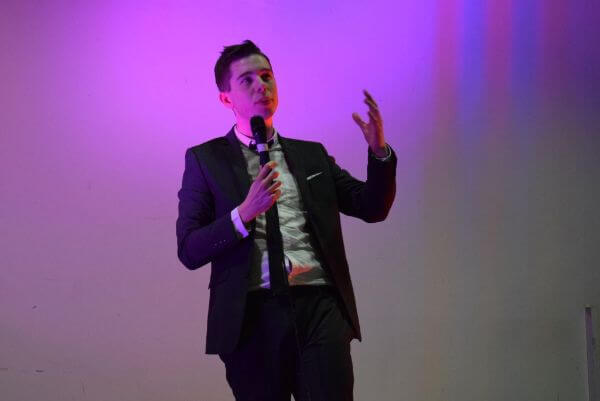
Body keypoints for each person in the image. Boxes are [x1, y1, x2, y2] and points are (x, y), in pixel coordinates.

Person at [176, 40, 397, 401]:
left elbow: (372, 207)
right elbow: (188, 249)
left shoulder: (311, 155)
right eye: (246, 80)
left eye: (266, 76)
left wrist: (379, 153)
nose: (261, 85)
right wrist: (242, 215)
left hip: (320, 308)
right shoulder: (205, 160)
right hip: (251, 318)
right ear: (226, 98)